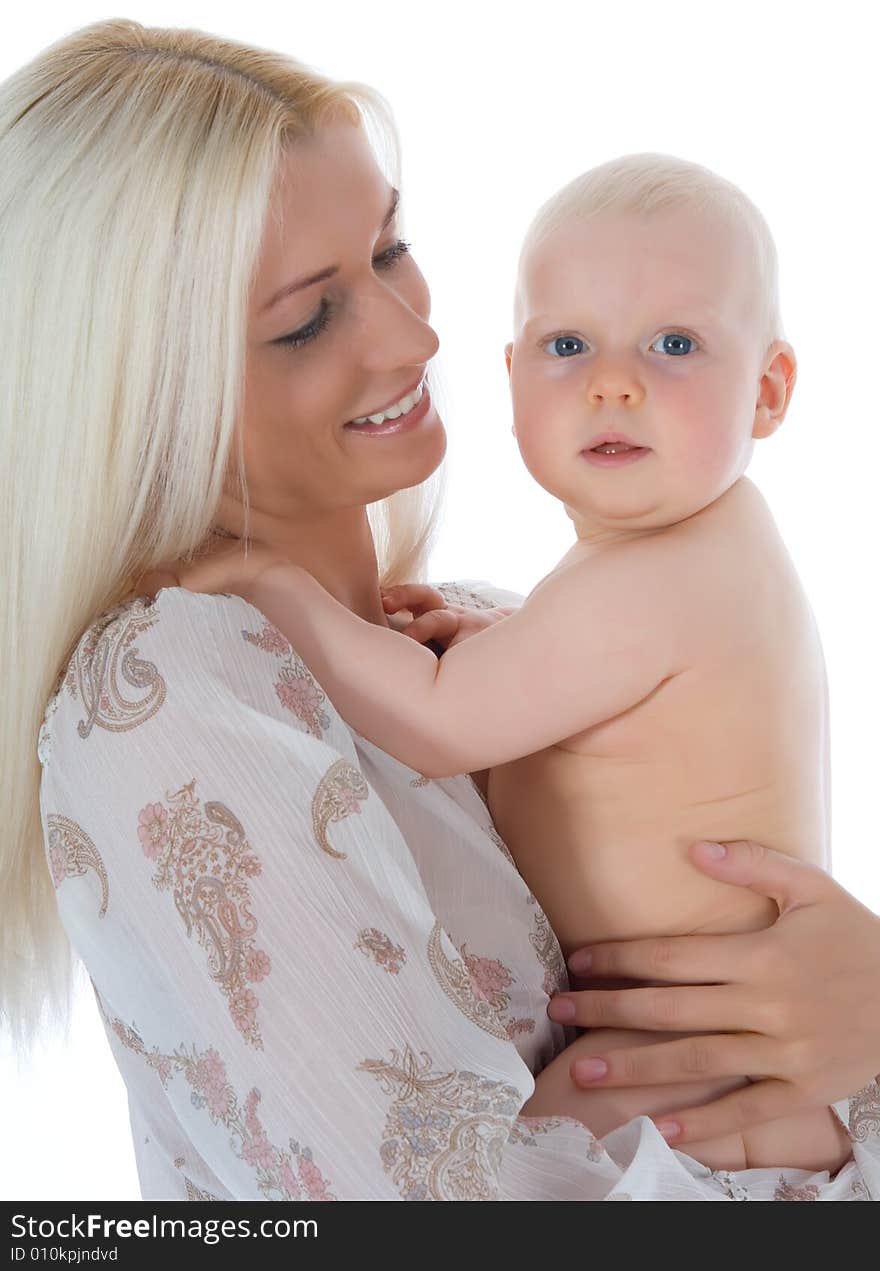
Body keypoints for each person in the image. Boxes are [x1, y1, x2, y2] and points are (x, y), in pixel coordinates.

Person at [2, 18, 879, 1201]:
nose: (417, 334)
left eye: (392, 247)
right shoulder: (172, 693)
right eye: (307, 317)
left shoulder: (483, 625)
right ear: (141, 393)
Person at [153, 154, 845, 1173]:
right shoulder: (678, 553)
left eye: (674, 344)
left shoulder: (670, 573)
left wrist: (279, 589)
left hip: (687, 1042)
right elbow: (603, 714)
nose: (615, 380)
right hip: (701, 1021)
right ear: (511, 378)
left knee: (528, 1160)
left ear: (769, 391)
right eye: (568, 344)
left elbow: (439, 725)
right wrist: (495, 647)